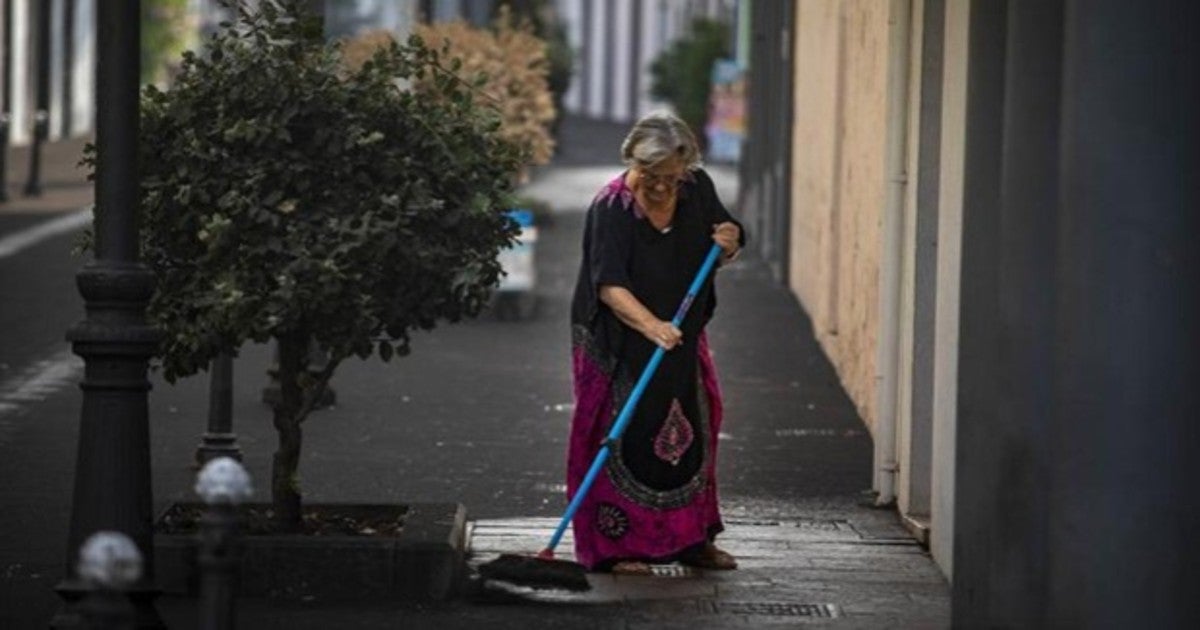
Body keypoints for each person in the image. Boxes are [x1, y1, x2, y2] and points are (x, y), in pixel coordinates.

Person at [567, 111, 745, 575]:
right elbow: (608, 285)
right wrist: (653, 326)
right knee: (627, 433)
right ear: (632, 162)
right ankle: (620, 546)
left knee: (690, 430)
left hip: (681, 333)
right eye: (650, 175)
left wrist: (729, 242)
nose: (662, 186)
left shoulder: (696, 187)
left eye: (671, 176)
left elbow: (726, 235)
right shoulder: (611, 208)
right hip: (621, 337)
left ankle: (692, 538)